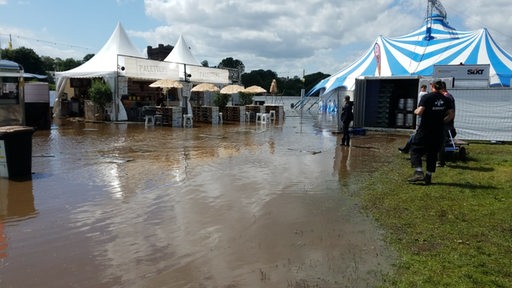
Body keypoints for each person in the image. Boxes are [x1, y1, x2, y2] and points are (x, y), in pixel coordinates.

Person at [408, 80, 454, 185]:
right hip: (438, 130)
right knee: (432, 153)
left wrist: (415, 111)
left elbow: (419, 112)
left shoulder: (427, 97)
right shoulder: (446, 99)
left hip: (425, 129)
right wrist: (442, 121)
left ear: (432, 86)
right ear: (442, 87)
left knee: (415, 149)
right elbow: (451, 114)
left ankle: (419, 172)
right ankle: (428, 176)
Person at [398, 84, 427, 153]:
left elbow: (418, 111)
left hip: (425, 132)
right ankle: (406, 149)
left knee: (414, 136)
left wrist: (416, 111)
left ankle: (407, 149)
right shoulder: (424, 94)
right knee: (413, 136)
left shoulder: (423, 94)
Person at [437, 81, 456, 167]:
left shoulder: (447, 97)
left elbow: (451, 113)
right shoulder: (447, 97)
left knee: (441, 142)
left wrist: (443, 121)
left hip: (446, 125)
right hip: (446, 124)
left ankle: (441, 161)